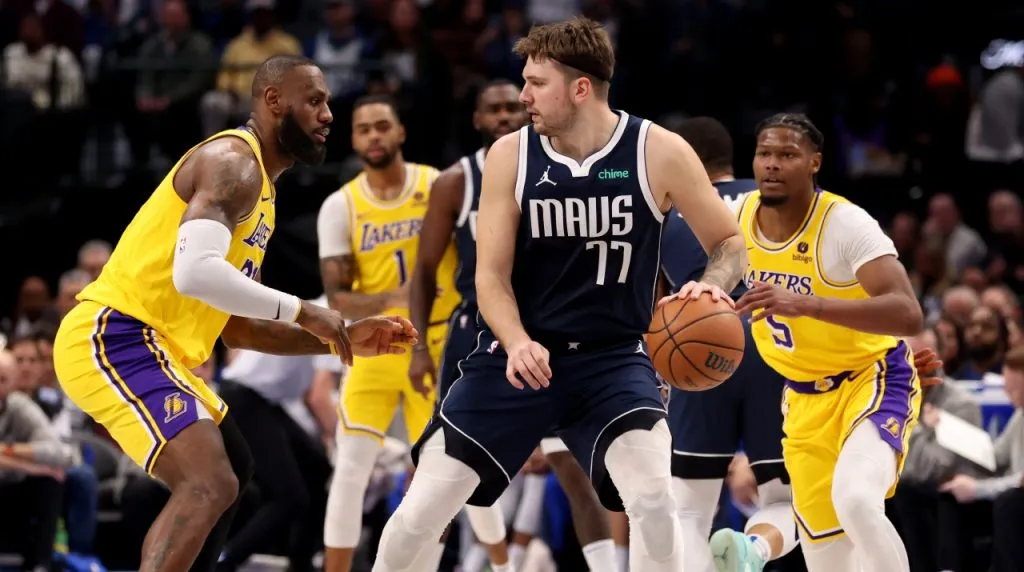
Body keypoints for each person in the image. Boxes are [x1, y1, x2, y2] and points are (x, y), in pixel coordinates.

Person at [374, 17, 749, 572]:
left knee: (654, 500)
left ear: (580, 88)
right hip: (517, 358)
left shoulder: (657, 150)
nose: (523, 96)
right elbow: (490, 277)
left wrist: (711, 286)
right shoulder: (510, 155)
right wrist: (517, 340)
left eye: (536, 82)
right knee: (419, 514)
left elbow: (731, 243)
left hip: (612, 360)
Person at [51, 55, 416, 572]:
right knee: (209, 482)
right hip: (115, 334)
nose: (328, 114)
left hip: (155, 349)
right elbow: (194, 273)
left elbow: (241, 329)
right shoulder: (233, 162)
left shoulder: (262, 191)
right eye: (314, 100)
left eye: (328, 102)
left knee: (235, 470)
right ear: (274, 100)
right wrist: (306, 311)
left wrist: (342, 337)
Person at [729, 113, 923, 572]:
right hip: (802, 399)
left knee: (856, 500)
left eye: (787, 154)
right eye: (764, 153)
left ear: (814, 162)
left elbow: (908, 312)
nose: (772, 164)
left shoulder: (846, 224)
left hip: (871, 382)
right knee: (827, 560)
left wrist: (807, 304)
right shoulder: (737, 216)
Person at [316, 93, 461, 572]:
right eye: (364, 129)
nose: (374, 136)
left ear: (400, 131)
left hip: (437, 343)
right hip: (375, 345)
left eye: (382, 126)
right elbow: (338, 298)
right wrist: (396, 297)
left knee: (441, 478)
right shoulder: (340, 205)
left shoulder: (437, 184)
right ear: (353, 139)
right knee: (350, 468)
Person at [657, 116, 798, 572]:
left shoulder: (666, 211)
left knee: (688, 510)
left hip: (697, 347)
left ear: (687, 159)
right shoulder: (779, 199)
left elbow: (649, 300)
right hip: (776, 346)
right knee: (784, 498)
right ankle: (754, 551)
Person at [939, 345, 1024, 572]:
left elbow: (1020, 480)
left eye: (1012, 386)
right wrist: (948, 428)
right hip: (1007, 491)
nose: (1006, 390)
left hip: (1014, 498)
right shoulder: (1020, 414)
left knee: (1009, 503)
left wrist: (977, 489)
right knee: (950, 495)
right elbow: (995, 456)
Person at [0, 349, 69, 571]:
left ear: (12, 383)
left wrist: (9, 450)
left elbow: (58, 451)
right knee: (43, 472)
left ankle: (40, 565)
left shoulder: (18, 405)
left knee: (50, 480)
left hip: (10, 486)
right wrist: (30, 467)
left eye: (2, 380)